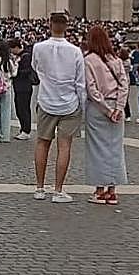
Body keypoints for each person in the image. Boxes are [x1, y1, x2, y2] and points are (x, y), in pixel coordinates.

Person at [31, 12, 86, 204]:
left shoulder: (38, 48)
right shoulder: (75, 51)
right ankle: (58, 190)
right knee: (64, 147)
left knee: (42, 143)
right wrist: (83, 105)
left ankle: (39, 188)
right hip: (69, 103)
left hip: (46, 100)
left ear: (49, 24)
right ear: (67, 26)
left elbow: (36, 68)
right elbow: (80, 83)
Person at [82, 25, 129, 206]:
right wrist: (118, 108)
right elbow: (124, 86)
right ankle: (113, 191)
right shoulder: (116, 59)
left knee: (97, 149)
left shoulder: (89, 60)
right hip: (116, 107)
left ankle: (100, 190)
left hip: (98, 109)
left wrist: (106, 110)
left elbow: (92, 90)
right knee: (115, 149)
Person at [13, 42, 37, 140]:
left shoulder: (26, 56)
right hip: (19, 86)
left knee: (24, 108)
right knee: (19, 108)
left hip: (24, 86)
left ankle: (26, 130)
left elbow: (27, 70)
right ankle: (23, 128)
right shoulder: (19, 56)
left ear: (16, 47)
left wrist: (16, 71)